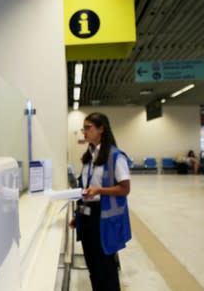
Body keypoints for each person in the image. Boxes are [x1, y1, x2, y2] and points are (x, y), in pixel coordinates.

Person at [69, 112, 131, 291]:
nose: (84, 132)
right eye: (84, 128)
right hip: (88, 217)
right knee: (93, 268)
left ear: (101, 129)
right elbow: (86, 188)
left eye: (88, 128)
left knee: (106, 269)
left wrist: (99, 190)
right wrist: (77, 216)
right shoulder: (88, 157)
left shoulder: (115, 156)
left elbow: (125, 189)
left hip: (104, 219)